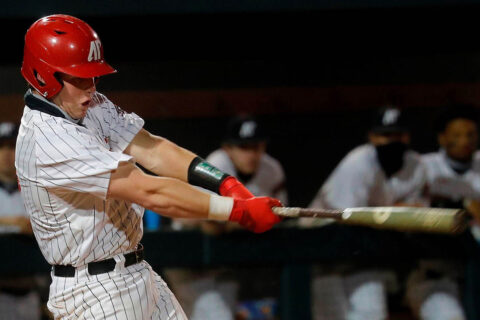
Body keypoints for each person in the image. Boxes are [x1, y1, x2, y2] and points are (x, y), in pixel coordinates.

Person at [15, 14, 282, 319]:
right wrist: (237, 211)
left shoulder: (88, 105)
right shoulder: (48, 138)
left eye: (94, 76)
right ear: (43, 77)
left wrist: (225, 184)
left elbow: (153, 149)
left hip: (137, 273)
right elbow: (149, 190)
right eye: (79, 78)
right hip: (93, 293)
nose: (91, 87)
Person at [305, 106, 427, 320]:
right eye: (385, 135)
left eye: (397, 135)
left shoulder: (416, 165)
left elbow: (413, 217)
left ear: (407, 137)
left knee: (374, 315)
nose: (391, 142)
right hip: (322, 252)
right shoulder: (358, 162)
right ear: (371, 137)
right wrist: (395, 213)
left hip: (365, 256)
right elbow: (347, 218)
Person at [167, 115, 288, 320]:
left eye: (256, 147)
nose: (251, 154)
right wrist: (245, 221)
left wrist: (238, 223)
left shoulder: (272, 169)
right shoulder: (217, 164)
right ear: (228, 148)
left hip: (224, 261)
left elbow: (278, 217)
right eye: (243, 147)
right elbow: (212, 225)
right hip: (189, 258)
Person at [405, 105, 478, 320]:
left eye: (471, 134)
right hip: (436, 276)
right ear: (442, 138)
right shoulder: (423, 167)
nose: (465, 140)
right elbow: (403, 206)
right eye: (457, 134)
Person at [0, 121, 41, 320]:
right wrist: (12, 223)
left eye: (12, 146)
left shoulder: (36, 189)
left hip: (31, 290)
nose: (7, 153)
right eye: (2, 147)